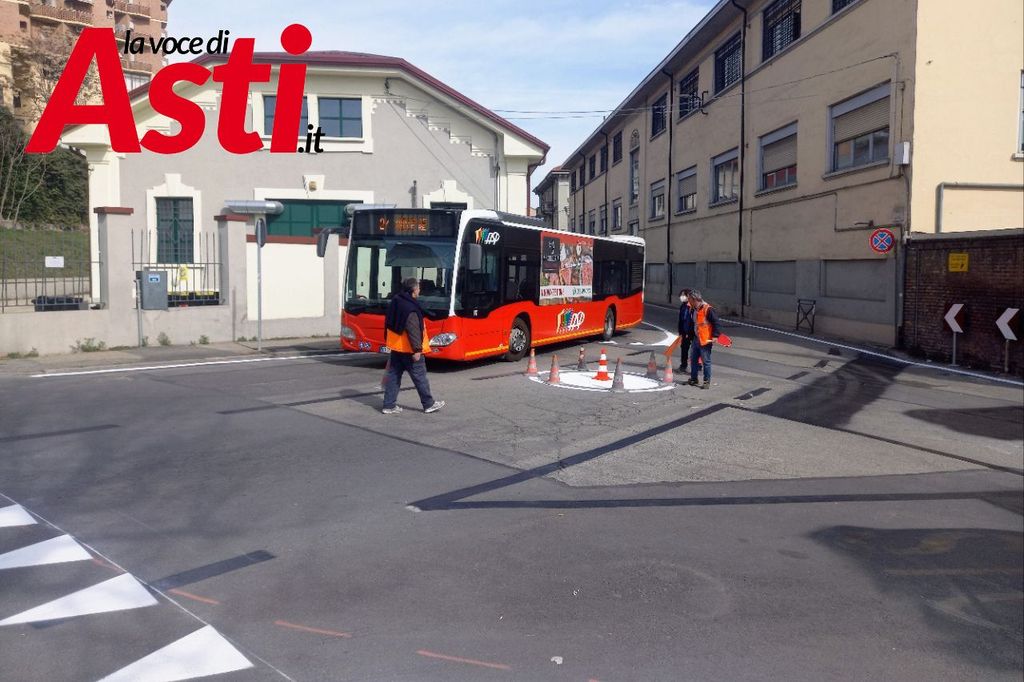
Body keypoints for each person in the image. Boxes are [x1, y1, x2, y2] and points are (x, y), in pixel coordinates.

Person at [381, 278, 445, 414]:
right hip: (409, 349)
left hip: (396, 347)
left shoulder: (396, 301)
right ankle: (428, 404)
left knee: (394, 376)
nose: (419, 290)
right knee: (420, 376)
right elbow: (413, 329)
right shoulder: (410, 308)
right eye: (418, 288)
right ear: (414, 290)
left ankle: (389, 405)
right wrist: (417, 350)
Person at [687, 290, 720, 389]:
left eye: (689, 299)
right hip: (696, 339)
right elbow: (694, 323)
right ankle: (694, 379)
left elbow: (716, 323)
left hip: (705, 340)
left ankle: (706, 382)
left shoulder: (708, 309)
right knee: (693, 360)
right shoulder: (693, 309)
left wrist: (715, 336)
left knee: (706, 361)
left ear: (694, 299)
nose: (688, 301)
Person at [677, 288, 694, 373]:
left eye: (683, 295)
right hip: (684, 331)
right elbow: (681, 319)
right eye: (681, 295)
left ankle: (697, 366)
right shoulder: (683, 306)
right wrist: (680, 331)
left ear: (688, 296)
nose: (681, 297)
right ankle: (683, 365)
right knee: (684, 348)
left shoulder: (693, 306)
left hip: (693, 332)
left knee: (695, 350)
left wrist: (691, 331)